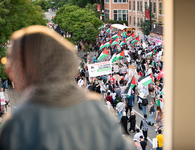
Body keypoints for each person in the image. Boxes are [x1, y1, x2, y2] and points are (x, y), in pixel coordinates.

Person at [0, 26, 135, 150]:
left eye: (11, 61)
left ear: (31, 67)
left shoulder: (20, 124)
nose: (8, 69)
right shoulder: (96, 108)